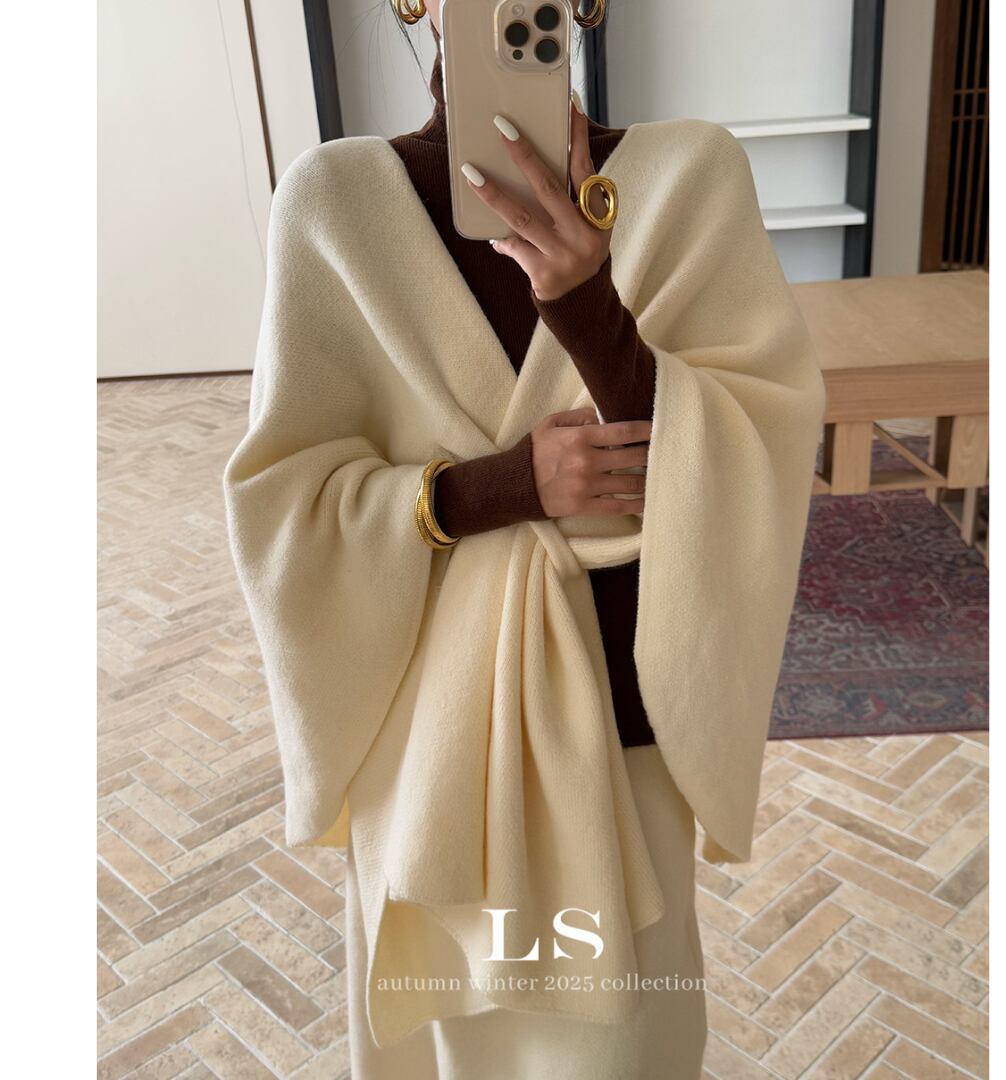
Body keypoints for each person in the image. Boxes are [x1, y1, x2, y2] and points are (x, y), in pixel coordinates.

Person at [223, 1, 827, 1076]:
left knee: (622, 1041)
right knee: (454, 1036)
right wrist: (505, 487)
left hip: (621, 721)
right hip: (428, 731)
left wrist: (590, 304)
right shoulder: (332, 202)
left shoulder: (690, 177)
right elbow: (286, 508)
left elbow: (750, 451)